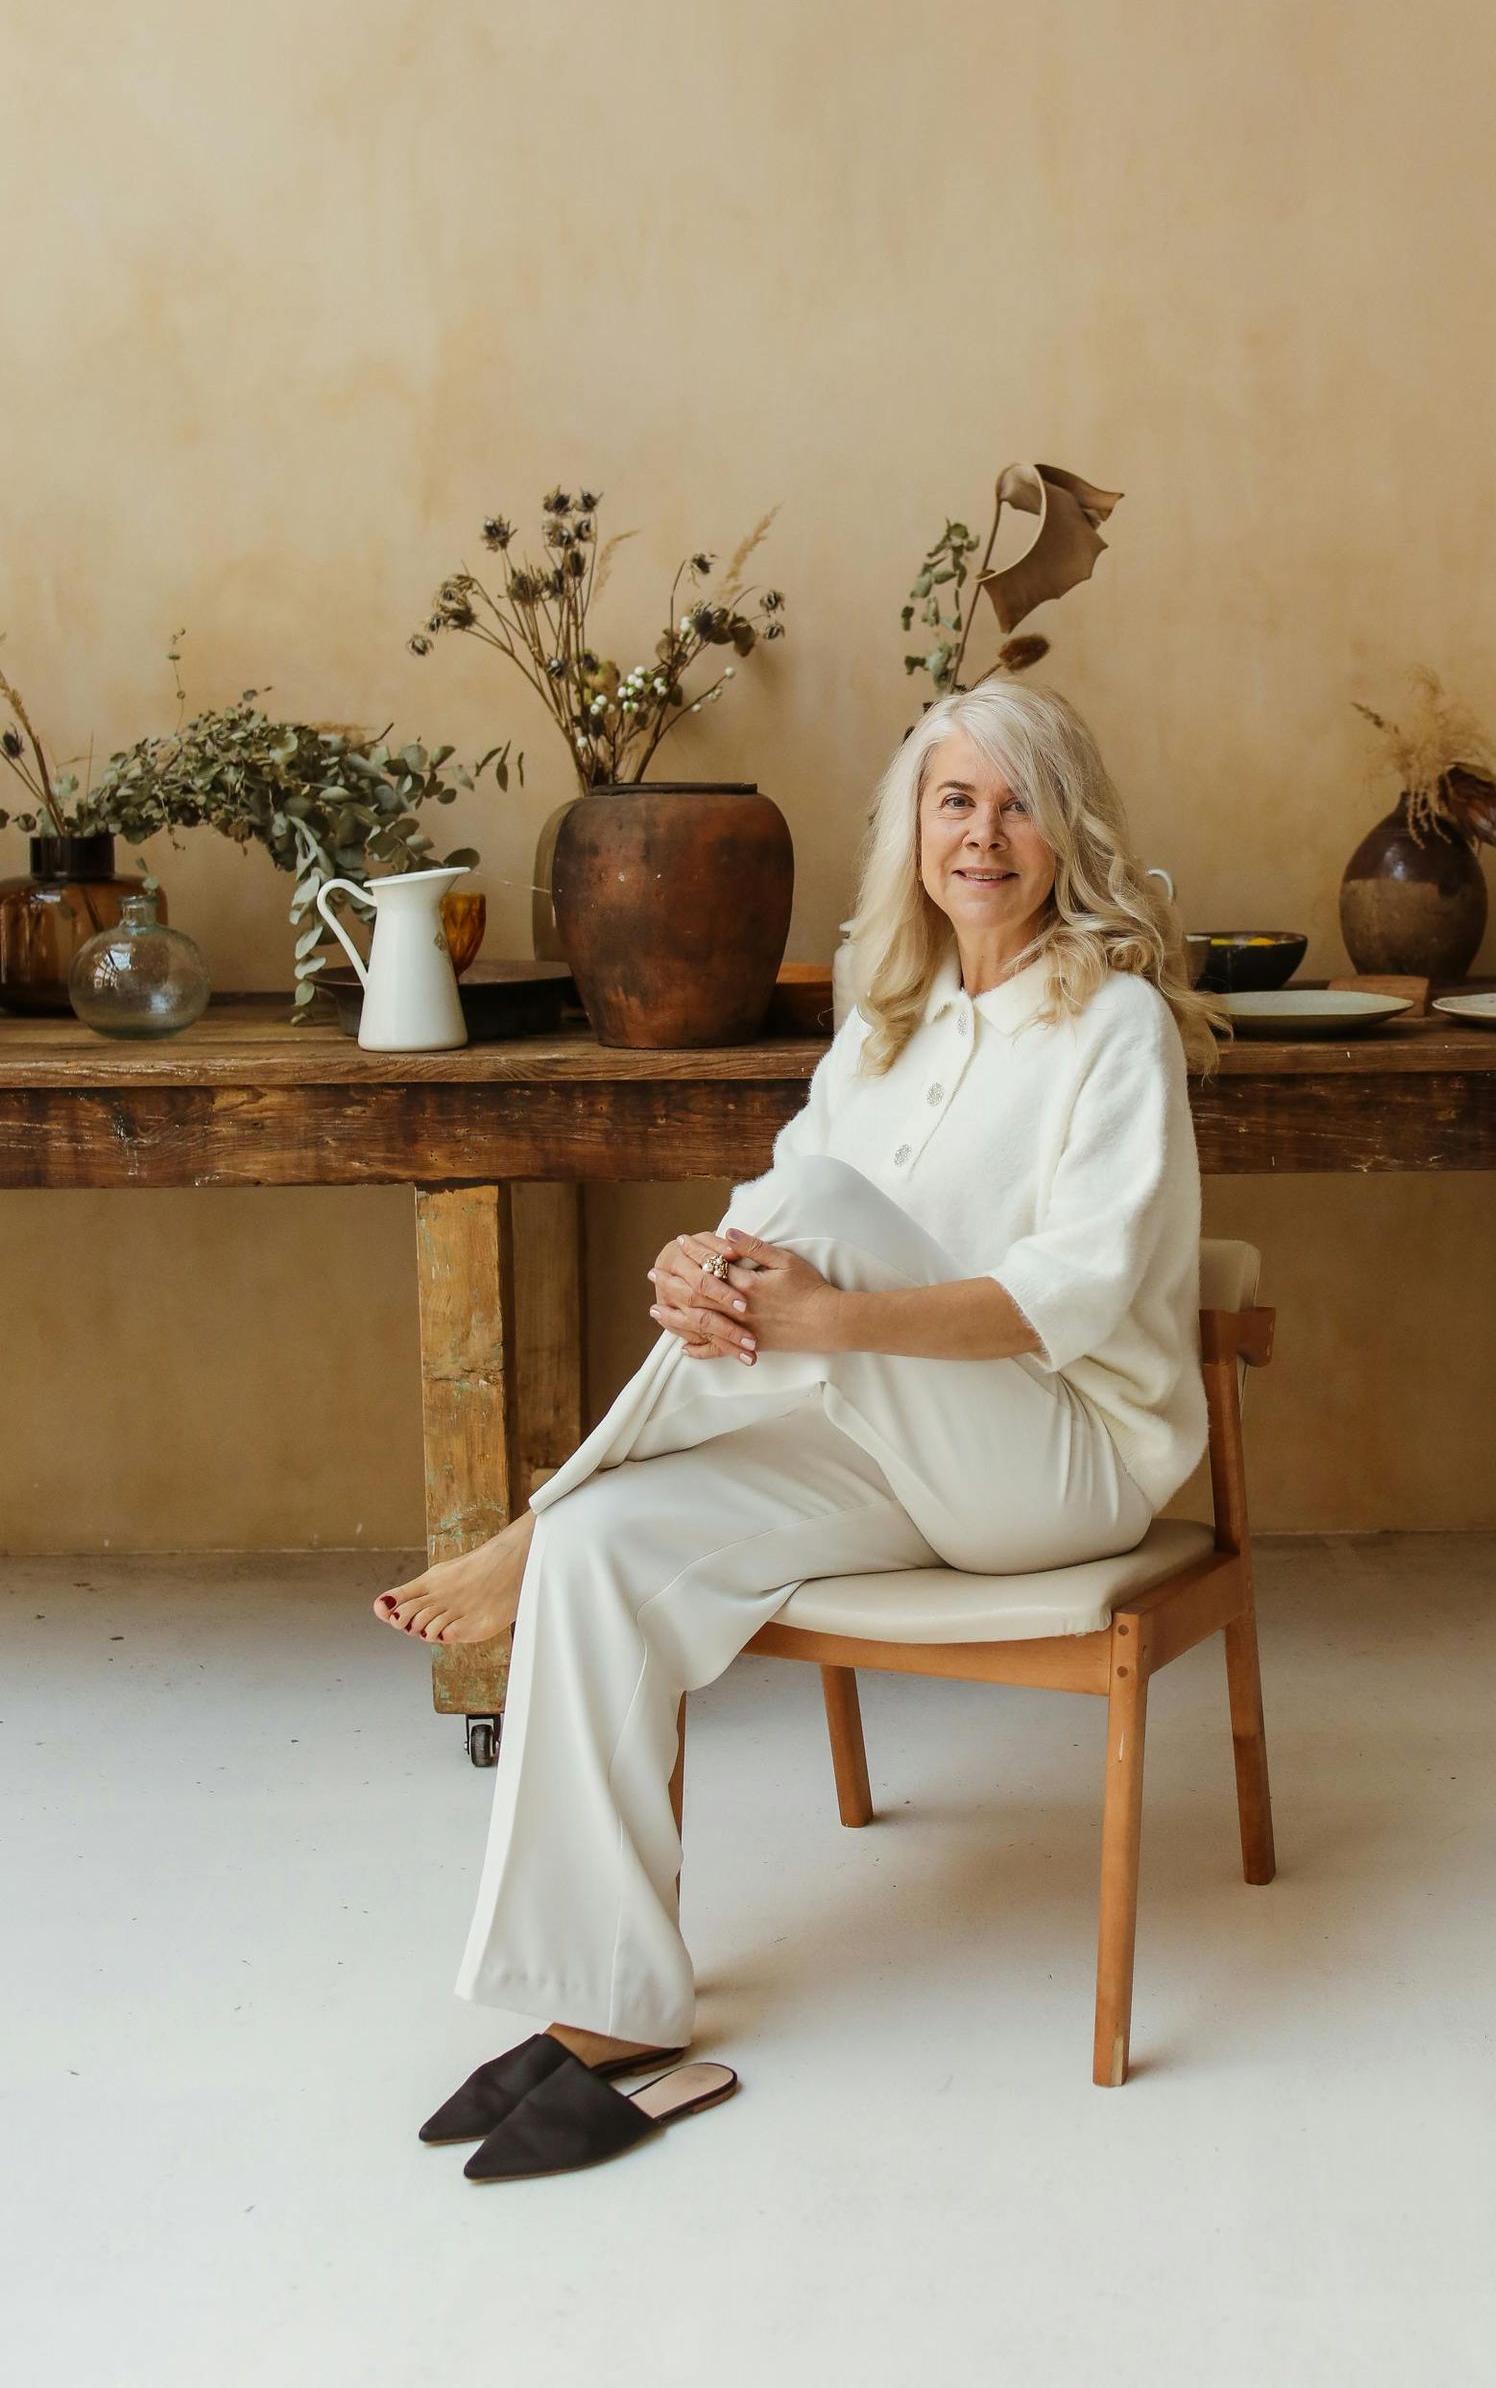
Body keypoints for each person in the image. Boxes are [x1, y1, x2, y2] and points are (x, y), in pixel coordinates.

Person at [377, 673, 1229, 2177]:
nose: (985, 833)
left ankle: (534, 1505)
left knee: (811, 1211)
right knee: (604, 1548)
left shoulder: (1116, 1029)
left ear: (1066, 831)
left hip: (1060, 1465)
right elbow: (779, 1246)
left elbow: (1070, 1296)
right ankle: (611, 2016)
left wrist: (813, 1309)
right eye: (955, 799)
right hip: (905, 1448)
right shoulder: (880, 1028)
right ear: (914, 829)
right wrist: (702, 1276)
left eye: (1018, 801)